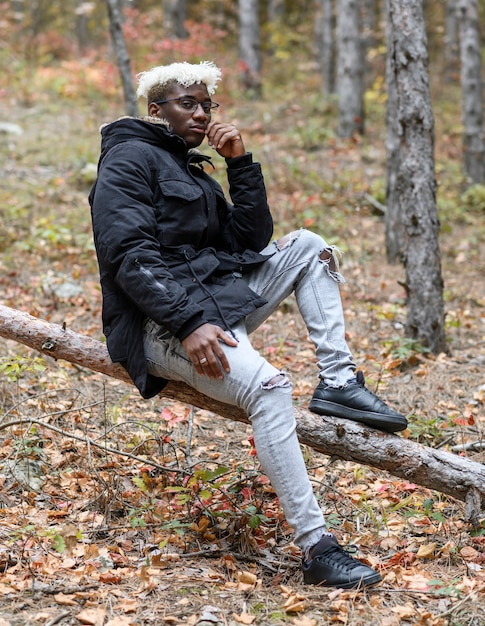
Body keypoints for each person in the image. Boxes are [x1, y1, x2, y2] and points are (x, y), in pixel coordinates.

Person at [89, 61, 408, 589]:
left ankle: (340, 383)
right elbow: (127, 256)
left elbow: (249, 241)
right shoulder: (127, 161)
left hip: (213, 303)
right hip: (161, 326)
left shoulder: (190, 167)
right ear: (155, 109)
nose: (200, 112)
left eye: (206, 104)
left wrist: (239, 165)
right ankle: (319, 549)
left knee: (309, 246)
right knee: (270, 387)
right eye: (187, 103)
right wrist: (189, 323)